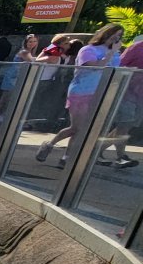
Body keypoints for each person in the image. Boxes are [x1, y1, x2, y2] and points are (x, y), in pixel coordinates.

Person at [36, 23, 125, 167]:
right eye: (114, 35)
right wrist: (110, 53)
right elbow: (94, 66)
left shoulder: (116, 53)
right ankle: (50, 144)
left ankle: (66, 158)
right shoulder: (88, 49)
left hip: (101, 93)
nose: (116, 38)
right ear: (106, 34)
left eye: (119, 36)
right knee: (77, 127)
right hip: (82, 92)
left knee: (82, 129)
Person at [102, 37, 143, 167]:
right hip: (127, 92)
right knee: (124, 125)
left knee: (125, 126)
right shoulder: (136, 47)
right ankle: (121, 157)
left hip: (140, 96)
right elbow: (119, 66)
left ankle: (95, 151)